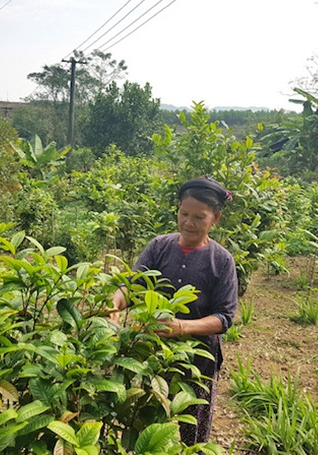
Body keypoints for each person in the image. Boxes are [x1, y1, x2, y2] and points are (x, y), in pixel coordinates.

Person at [110, 176, 239, 446]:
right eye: (184, 214)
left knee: (192, 422)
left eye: (199, 217)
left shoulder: (222, 260)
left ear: (215, 218)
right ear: (178, 209)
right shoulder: (159, 246)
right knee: (146, 417)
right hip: (153, 350)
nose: (189, 223)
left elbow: (224, 317)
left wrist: (182, 327)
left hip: (198, 358)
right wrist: (116, 301)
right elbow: (133, 284)